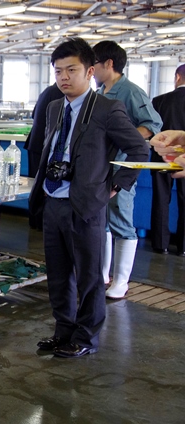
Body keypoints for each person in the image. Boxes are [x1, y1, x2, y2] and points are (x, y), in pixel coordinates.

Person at [29, 38, 148, 358]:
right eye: (58, 71)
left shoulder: (107, 109)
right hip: (53, 199)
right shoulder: (55, 107)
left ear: (90, 71)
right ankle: (63, 330)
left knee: (90, 276)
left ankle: (86, 336)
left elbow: (139, 149)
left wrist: (114, 186)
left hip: (85, 205)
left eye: (72, 69)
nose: (64, 77)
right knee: (57, 273)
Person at [92, 40, 162, 299]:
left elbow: (153, 123)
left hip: (122, 166)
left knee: (121, 219)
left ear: (109, 64)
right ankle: (103, 274)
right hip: (100, 167)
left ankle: (121, 281)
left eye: (94, 64)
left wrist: (127, 139)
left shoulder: (130, 91)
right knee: (103, 221)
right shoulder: (99, 94)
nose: (92, 70)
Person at [150, 65, 185, 257]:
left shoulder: (159, 101)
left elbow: (153, 127)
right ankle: (183, 247)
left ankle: (160, 244)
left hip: (161, 157)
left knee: (161, 200)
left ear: (177, 77)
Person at [24, 83, 64, 229]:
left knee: (36, 185)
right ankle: (40, 223)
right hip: (42, 145)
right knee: (42, 186)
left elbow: (35, 114)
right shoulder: (60, 93)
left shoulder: (47, 91)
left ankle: (36, 221)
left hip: (35, 143)